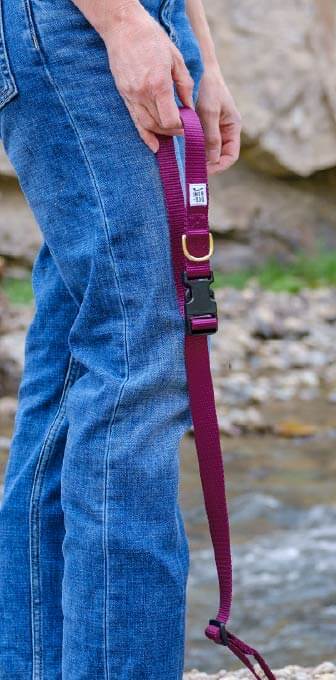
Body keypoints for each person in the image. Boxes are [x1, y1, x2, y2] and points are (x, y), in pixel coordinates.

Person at [0, 1, 241, 677]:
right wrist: (120, 23)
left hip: (137, 20)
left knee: (76, 355)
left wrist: (205, 55)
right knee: (139, 351)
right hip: (80, 23)